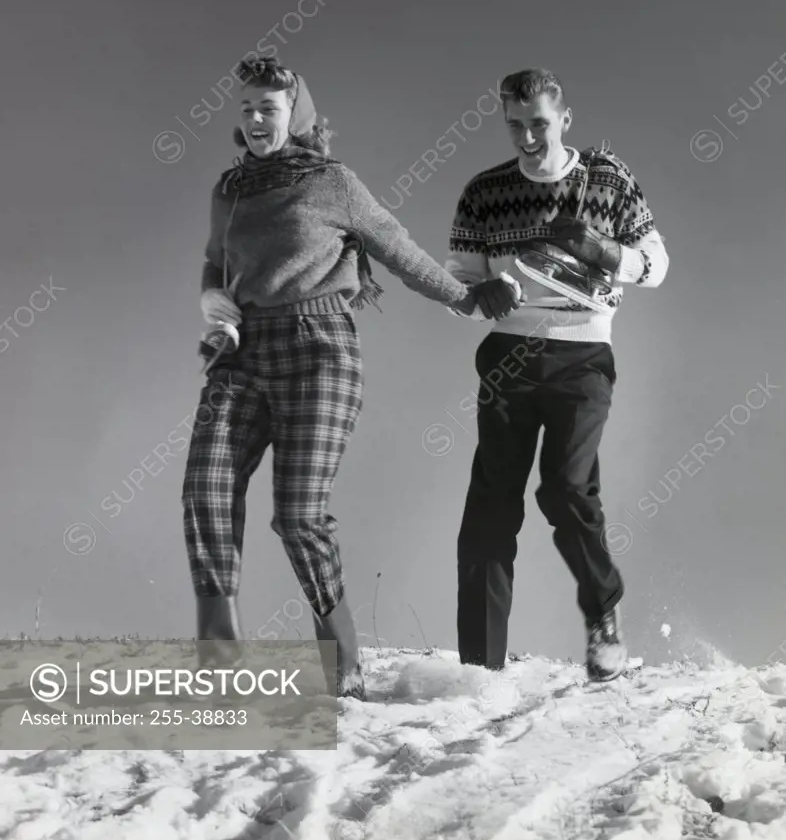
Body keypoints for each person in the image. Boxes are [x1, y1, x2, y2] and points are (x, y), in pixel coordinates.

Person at [181, 55, 518, 700]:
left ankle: (342, 665)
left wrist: (468, 298)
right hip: (244, 351)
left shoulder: (332, 182)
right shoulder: (229, 190)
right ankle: (220, 660)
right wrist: (211, 301)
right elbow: (213, 261)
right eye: (246, 107)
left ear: (295, 113)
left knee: (298, 515)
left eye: (269, 108)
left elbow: (397, 249)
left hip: (319, 351)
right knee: (206, 485)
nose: (255, 119)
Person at [445, 68, 669, 681]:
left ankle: (604, 615)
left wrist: (602, 250)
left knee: (566, 489)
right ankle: (479, 671)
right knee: (491, 508)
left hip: (582, 357)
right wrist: (478, 293)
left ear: (565, 118)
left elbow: (656, 265)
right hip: (508, 355)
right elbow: (457, 277)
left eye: (538, 123)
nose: (527, 138)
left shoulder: (608, 177)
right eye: (515, 126)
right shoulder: (484, 191)